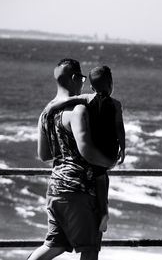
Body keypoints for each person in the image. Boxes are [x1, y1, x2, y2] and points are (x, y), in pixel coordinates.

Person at [30, 58, 116, 260]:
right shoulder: (78, 110)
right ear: (76, 78)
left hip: (55, 189)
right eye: (82, 78)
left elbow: (44, 155)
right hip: (79, 190)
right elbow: (86, 150)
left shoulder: (46, 112)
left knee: (54, 245)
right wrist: (109, 163)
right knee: (89, 248)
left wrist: (64, 151)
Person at [45, 65, 126, 232]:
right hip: (110, 149)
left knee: (98, 177)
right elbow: (120, 128)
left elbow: (70, 101)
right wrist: (123, 148)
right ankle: (104, 211)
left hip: (96, 147)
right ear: (111, 84)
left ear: (92, 87)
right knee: (103, 179)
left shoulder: (88, 98)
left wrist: (53, 107)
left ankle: (102, 212)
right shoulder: (116, 104)